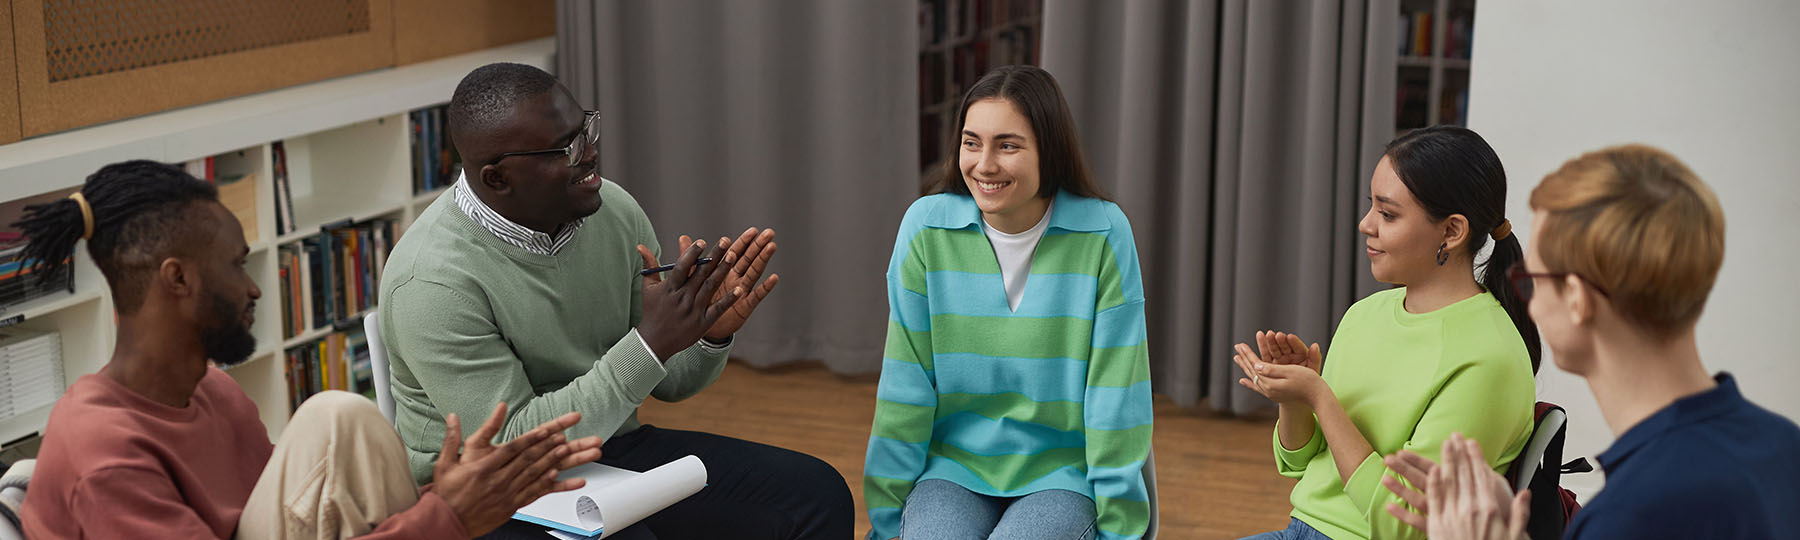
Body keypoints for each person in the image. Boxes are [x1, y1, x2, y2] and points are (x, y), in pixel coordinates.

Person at [378, 62, 853, 539]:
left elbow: (670, 384)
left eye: (586, 128)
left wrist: (707, 332)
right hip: (486, 493)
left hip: (611, 449)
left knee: (818, 493)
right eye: (568, 148)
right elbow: (518, 444)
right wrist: (649, 343)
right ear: (498, 178)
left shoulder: (614, 213)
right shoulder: (431, 281)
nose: (591, 153)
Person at [15, 160, 602, 539]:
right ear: (178, 280)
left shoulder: (214, 393)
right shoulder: (105, 453)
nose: (253, 289)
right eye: (237, 266)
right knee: (337, 415)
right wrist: (444, 519)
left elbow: (318, 509)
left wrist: (445, 493)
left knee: (337, 414)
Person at [1380, 145, 1800, 539]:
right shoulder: (1782, 443)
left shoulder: (1629, 516)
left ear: (1578, 300)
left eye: (1530, 280)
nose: (1530, 303)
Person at [862, 65, 1153, 540]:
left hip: (1062, 476)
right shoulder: (925, 228)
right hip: (952, 471)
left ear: (1049, 150)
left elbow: (1116, 398)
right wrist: (888, 523)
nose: (984, 165)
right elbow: (905, 388)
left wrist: (1120, 530)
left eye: (1008, 145)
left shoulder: (1103, 233)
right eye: (971, 143)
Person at [1230, 126, 1539, 540]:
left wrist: (1320, 397)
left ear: (1451, 231)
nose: (1364, 225)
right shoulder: (1366, 314)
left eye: (1387, 214)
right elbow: (1301, 463)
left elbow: (1401, 525)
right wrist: (1296, 402)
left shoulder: (1488, 359)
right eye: (1371, 207)